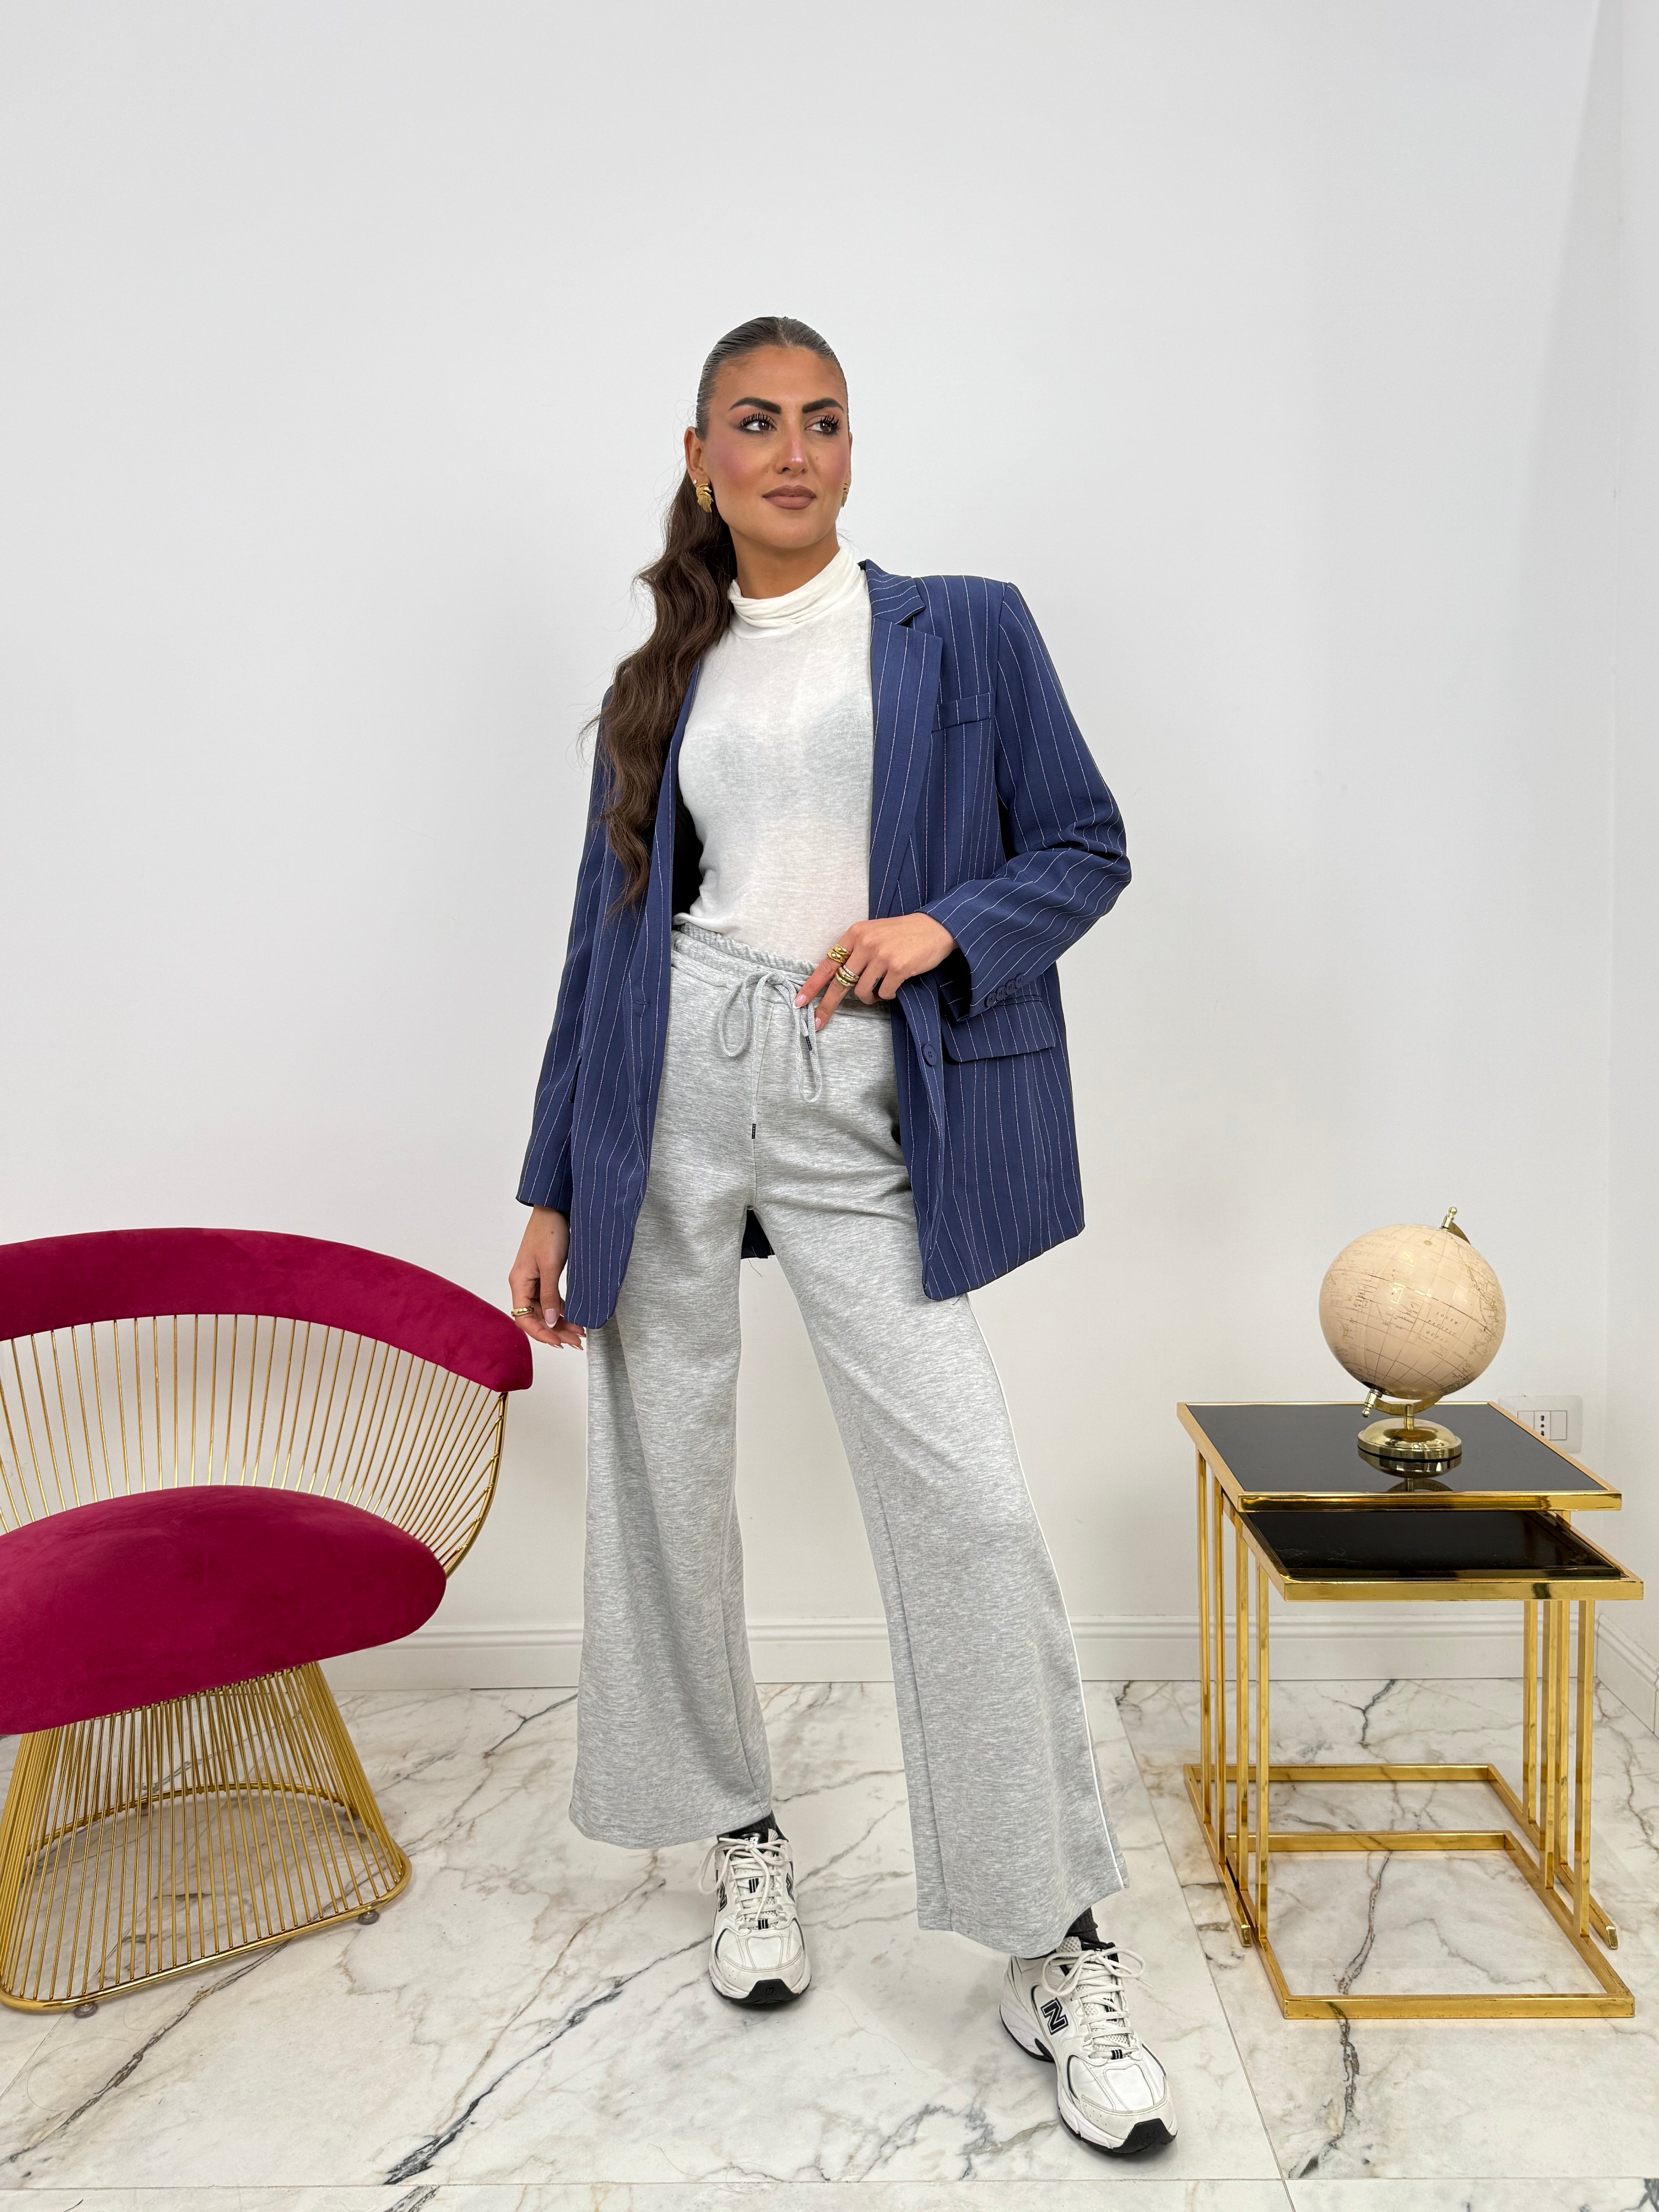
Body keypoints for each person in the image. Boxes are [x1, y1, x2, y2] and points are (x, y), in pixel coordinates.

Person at [509, 315, 1175, 2157]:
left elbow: (1087, 845)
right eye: (758, 422)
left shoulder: (963, 626)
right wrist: (553, 1180)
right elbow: (601, 935)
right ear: (703, 455)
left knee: (968, 1501)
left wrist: (939, 928)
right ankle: (742, 1839)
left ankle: (1053, 1935)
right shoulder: (665, 673)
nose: (794, 451)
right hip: (667, 1081)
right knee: (665, 1467)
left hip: (857, 1083)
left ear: (851, 447)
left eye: (823, 420)